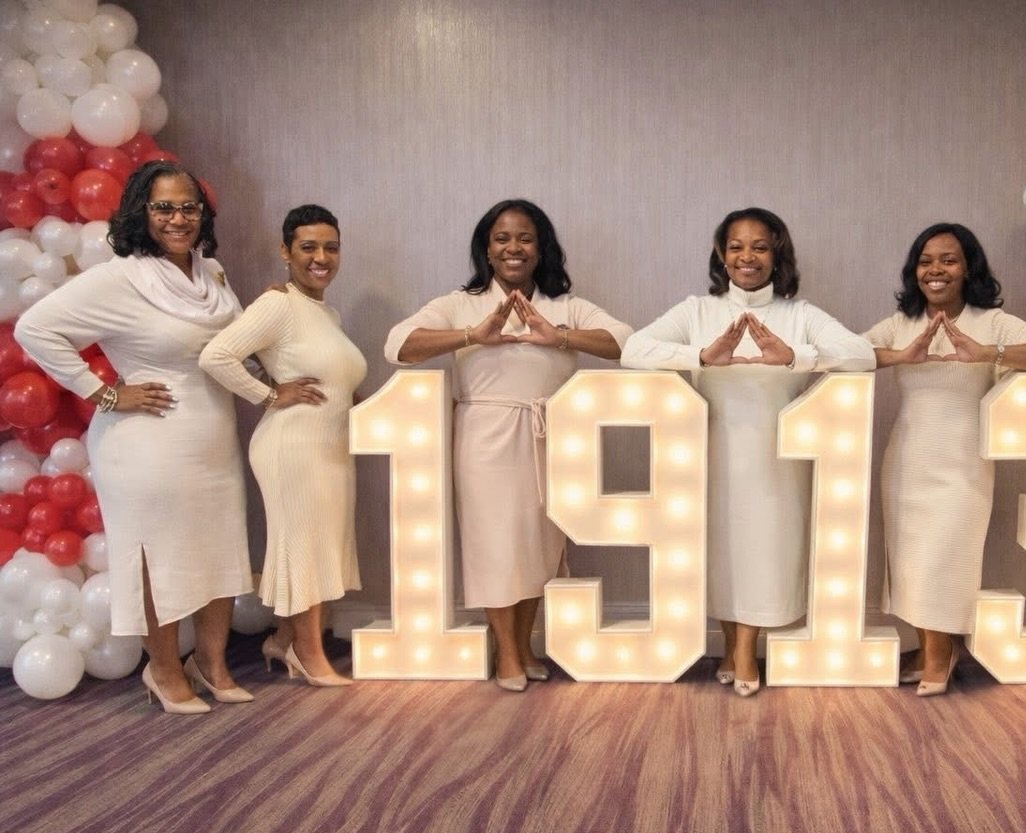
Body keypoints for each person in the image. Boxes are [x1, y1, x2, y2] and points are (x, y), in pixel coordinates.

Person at [16, 160, 253, 714]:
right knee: (156, 556)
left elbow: (235, 346)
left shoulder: (212, 274)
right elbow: (34, 328)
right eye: (163, 207)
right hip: (146, 442)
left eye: (189, 207)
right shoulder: (119, 277)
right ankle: (163, 669)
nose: (178, 219)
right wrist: (102, 393)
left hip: (213, 437)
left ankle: (211, 663)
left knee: (220, 545)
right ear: (139, 213)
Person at [621, 207, 875, 696]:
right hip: (712, 454)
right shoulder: (697, 311)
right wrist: (699, 356)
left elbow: (862, 355)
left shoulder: (799, 315)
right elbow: (633, 349)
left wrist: (795, 356)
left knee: (763, 552)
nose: (747, 257)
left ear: (777, 254)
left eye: (760, 247)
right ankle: (732, 645)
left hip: (777, 458)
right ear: (722, 254)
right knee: (721, 553)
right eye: (736, 246)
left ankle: (744, 651)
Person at [384, 199, 631, 692]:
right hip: (486, 438)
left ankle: (524, 644)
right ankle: (508, 653)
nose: (513, 248)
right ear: (486, 248)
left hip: (550, 435)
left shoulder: (563, 305)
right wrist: (471, 335)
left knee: (538, 547)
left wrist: (559, 337)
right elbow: (397, 346)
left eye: (524, 238)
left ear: (541, 249)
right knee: (495, 546)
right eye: (502, 238)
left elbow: (627, 342)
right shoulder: (462, 302)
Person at [867, 223, 1026, 697]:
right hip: (906, 460)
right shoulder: (901, 323)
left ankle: (941, 653)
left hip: (963, 463)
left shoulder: (991, 321)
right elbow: (847, 353)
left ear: (968, 267)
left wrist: (987, 353)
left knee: (944, 558)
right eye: (925, 261)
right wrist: (900, 355)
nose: (935, 270)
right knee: (911, 560)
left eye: (948, 259)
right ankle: (933, 647)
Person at [200, 204, 366, 687]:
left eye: (331, 248)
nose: (321, 258)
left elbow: (337, 384)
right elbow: (217, 356)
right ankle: (307, 653)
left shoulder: (327, 313)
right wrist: (270, 395)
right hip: (292, 447)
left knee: (321, 546)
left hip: (330, 449)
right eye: (308, 247)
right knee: (304, 547)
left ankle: (283, 639)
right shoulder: (278, 304)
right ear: (286, 252)